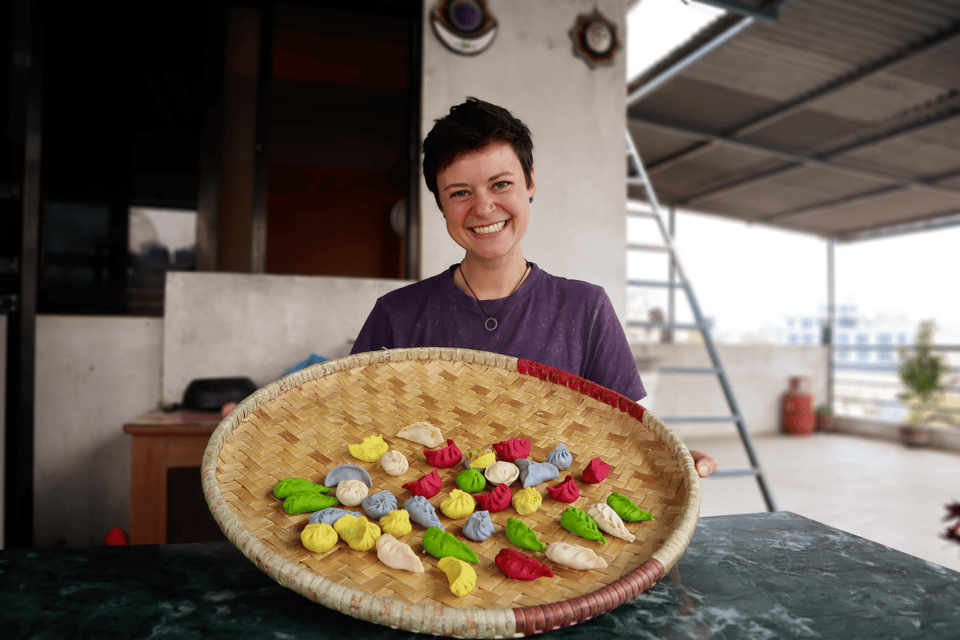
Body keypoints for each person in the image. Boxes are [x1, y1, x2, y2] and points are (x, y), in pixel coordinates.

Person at [351, 97, 717, 478]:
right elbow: (354, 432)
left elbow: (625, 436)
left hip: (554, 530)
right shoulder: (396, 315)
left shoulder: (584, 307)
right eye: (460, 192)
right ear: (441, 205)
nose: (484, 207)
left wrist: (669, 457)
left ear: (530, 184)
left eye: (501, 184)